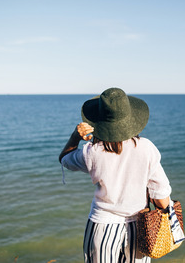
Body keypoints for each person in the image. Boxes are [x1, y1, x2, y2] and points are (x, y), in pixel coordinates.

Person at [59, 87, 172, 263]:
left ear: (100, 121)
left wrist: (75, 136)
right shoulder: (147, 148)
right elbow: (162, 196)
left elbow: (64, 159)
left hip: (101, 226)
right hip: (140, 227)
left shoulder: (92, 152)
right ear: (131, 119)